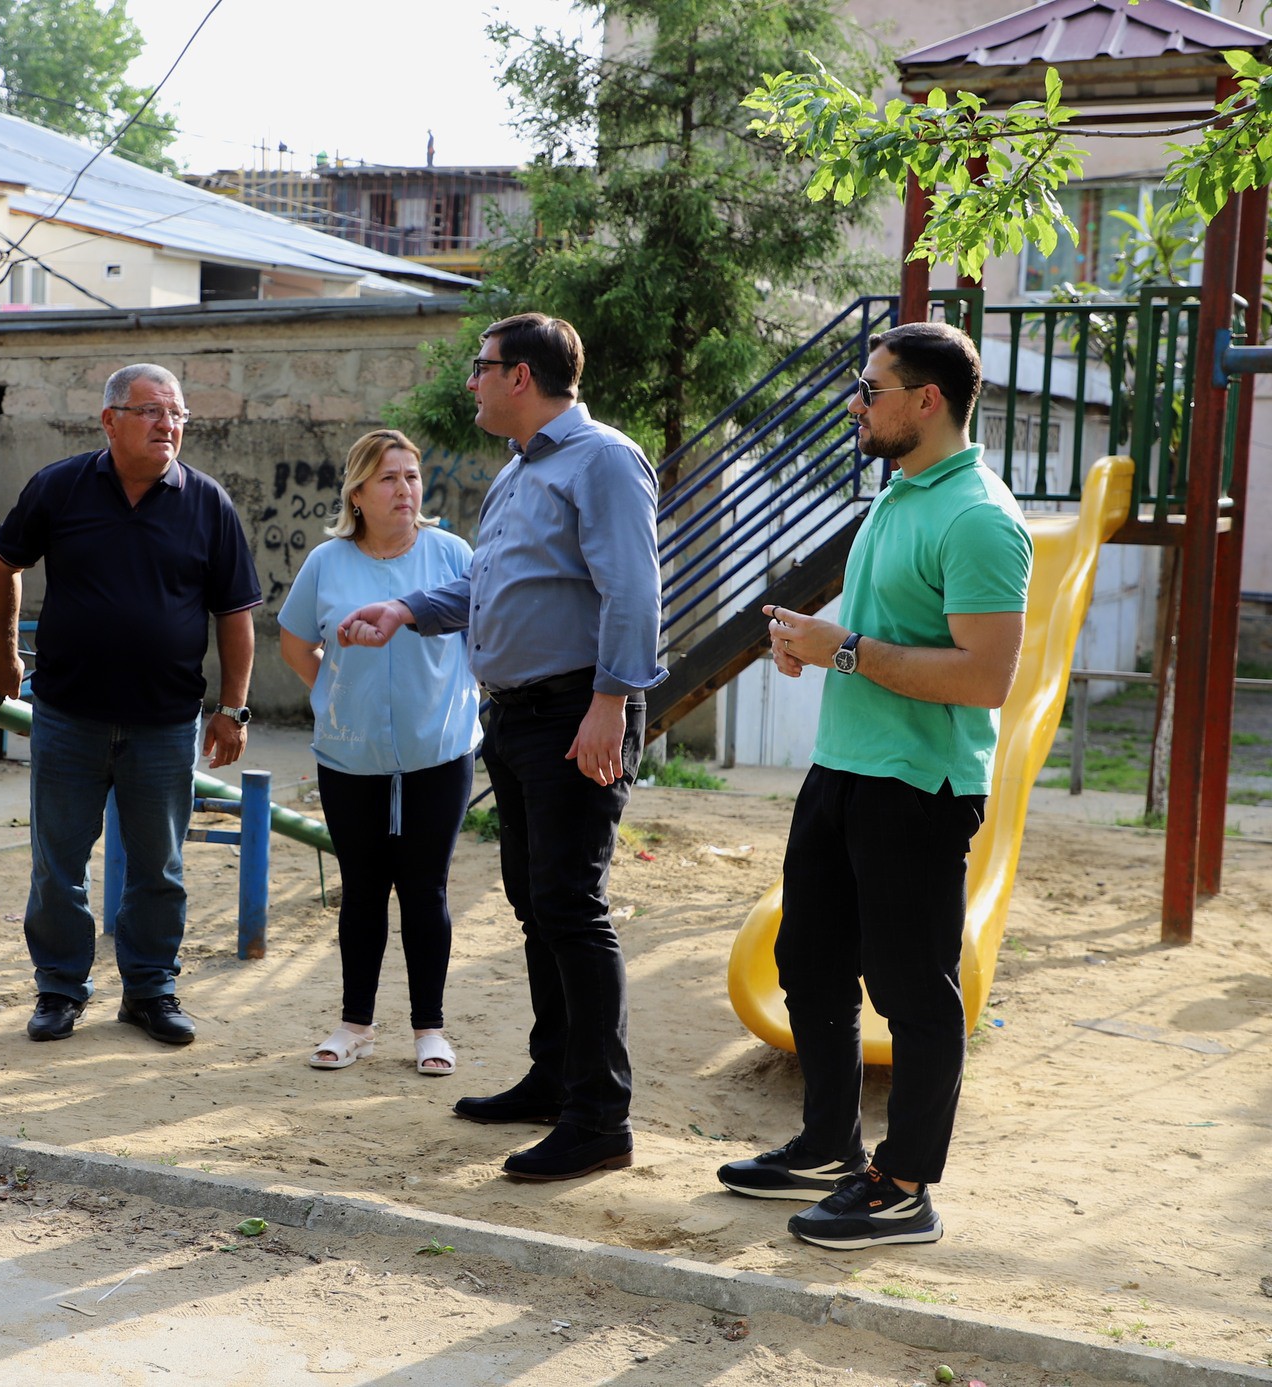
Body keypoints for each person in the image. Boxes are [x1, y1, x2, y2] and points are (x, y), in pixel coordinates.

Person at [718, 321, 1030, 1249]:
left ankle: (904, 1188)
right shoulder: (899, 493)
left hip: (917, 785)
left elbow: (985, 677)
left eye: (871, 387)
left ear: (925, 400)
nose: (857, 402)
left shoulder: (978, 516)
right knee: (807, 962)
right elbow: (886, 632)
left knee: (913, 988)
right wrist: (816, 644)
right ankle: (828, 1146)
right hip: (845, 768)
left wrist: (843, 648)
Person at [338, 312, 665, 1181]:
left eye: (481, 368)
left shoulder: (602, 459)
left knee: (570, 905)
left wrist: (611, 701)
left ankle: (601, 1118)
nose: (472, 383)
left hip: (575, 713)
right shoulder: (522, 470)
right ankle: (555, 1077)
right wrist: (409, 610)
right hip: (518, 718)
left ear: (521, 376)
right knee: (536, 902)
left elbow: (632, 589)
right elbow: (491, 582)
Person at [0, 362, 262, 1047]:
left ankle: (149, 988)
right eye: (151, 411)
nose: (168, 425)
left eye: (177, 414)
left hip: (166, 721)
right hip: (70, 713)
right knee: (58, 862)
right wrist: (1, 652)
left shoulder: (207, 503)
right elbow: (1, 565)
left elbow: (235, 612)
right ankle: (59, 987)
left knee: (158, 865)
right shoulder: (60, 486)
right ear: (110, 420)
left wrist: (233, 707)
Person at [277, 429, 481, 1076]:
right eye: (389, 478)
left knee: (426, 890)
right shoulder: (328, 562)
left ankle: (430, 1029)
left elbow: (485, 628)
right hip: (349, 754)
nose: (405, 489)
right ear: (358, 493)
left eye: (412, 476)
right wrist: (333, 693)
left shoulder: (451, 553)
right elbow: (292, 639)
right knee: (362, 889)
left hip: (438, 749)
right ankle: (354, 1023)